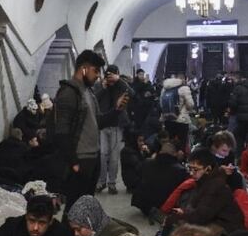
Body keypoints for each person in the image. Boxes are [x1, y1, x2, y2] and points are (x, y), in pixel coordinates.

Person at [53, 50, 128, 211]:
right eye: (96, 71)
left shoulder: (89, 93)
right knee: (74, 210)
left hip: (92, 160)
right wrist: (73, 162)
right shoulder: (69, 93)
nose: (98, 76)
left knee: (85, 209)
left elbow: (98, 122)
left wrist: (116, 110)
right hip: (79, 161)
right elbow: (61, 132)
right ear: (84, 69)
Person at [168, 149, 244, 236]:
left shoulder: (216, 186)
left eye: (195, 170)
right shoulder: (204, 182)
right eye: (190, 168)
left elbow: (201, 217)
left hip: (226, 228)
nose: (191, 173)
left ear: (208, 169)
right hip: (214, 222)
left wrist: (184, 214)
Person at [95, 64, 131, 195]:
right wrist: (103, 88)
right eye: (108, 75)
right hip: (103, 125)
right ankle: (102, 181)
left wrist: (119, 80)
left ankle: (112, 183)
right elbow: (94, 100)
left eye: (112, 75)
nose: (109, 78)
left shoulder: (121, 85)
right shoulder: (100, 85)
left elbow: (131, 94)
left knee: (114, 156)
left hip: (116, 124)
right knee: (103, 155)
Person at [130, 141, 189, 220]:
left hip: (143, 203)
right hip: (164, 205)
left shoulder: (147, 162)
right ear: (175, 153)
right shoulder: (180, 170)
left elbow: (137, 175)